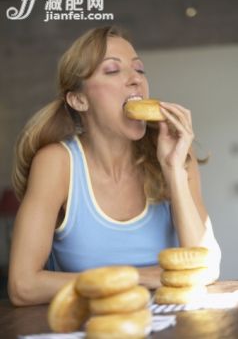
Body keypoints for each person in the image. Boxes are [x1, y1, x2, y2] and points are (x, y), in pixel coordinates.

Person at [8, 25, 221, 306]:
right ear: (79, 99)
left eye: (139, 69)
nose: (135, 80)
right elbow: (23, 286)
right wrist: (139, 276)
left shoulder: (177, 155)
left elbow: (206, 268)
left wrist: (174, 172)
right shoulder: (57, 163)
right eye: (112, 70)